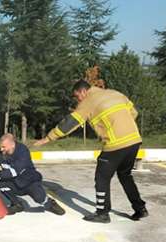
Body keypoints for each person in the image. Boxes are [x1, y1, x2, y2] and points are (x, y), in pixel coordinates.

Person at [34, 79, 148, 223]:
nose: (77, 100)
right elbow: (134, 113)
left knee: (101, 177)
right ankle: (140, 209)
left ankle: (102, 213)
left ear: (83, 91)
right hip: (134, 140)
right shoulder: (115, 93)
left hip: (116, 144)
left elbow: (69, 123)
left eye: (77, 96)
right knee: (125, 175)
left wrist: (47, 139)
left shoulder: (88, 101)